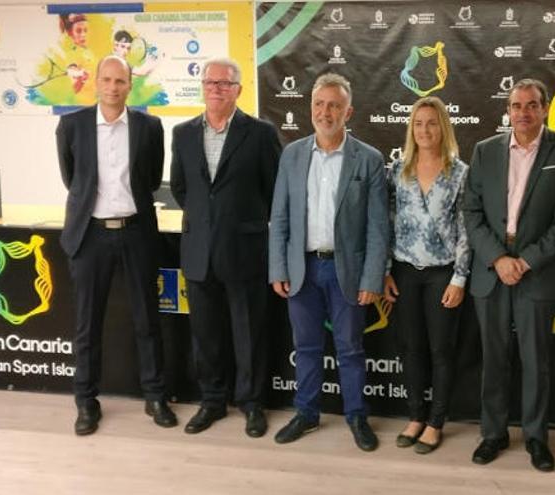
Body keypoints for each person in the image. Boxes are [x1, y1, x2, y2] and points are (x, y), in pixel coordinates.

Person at [463, 78, 555, 471]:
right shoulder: (485, 152)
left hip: (538, 272)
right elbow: (471, 212)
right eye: (516, 106)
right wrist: (498, 258)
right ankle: (493, 434)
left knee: (536, 361)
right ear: (508, 110)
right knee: (494, 358)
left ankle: (536, 438)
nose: (523, 113)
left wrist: (526, 260)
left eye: (531, 105)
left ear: (545, 108)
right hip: (492, 271)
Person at [56, 54, 175, 436]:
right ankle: (86, 402)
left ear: (130, 85)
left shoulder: (149, 126)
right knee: (87, 324)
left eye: (120, 81)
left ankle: (155, 397)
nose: (113, 87)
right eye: (106, 80)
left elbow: (152, 179)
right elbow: (72, 177)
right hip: (90, 235)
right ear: (96, 82)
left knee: (147, 320)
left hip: (136, 231)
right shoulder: (72, 125)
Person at [269, 73, 388, 452]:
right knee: (305, 347)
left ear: (348, 111)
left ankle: (356, 415)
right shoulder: (292, 154)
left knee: (350, 348)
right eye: (319, 104)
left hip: (347, 271)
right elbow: (281, 217)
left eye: (334, 105)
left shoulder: (368, 159)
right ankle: (306, 413)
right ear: (310, 109)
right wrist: (278, 268)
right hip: (302, 268)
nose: (325, 112)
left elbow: (377, 227)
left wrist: (373, 277)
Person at [170, 58, 281, 438]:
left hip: (246, 252)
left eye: (224, 82)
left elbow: (274, 191)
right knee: (206, 335)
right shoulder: (183, 134)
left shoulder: (261, 134)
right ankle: (212, 401)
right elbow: (182, 189)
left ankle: (252, 404)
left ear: (238, 89)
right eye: (210, 82)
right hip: (199, 252)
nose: (216, 88)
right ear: (202, 88)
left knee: (249, 334)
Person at [383, 96, 470, 454]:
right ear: (411, 129)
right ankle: (416, 416)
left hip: (442, 274)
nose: (424, 130)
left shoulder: (460, 172)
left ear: (443, 127)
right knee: (410, 349)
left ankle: (436, 422)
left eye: (431, 123)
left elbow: (466, 230)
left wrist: (459, 278)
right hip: (404, 273)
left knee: (441, 351)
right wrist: (386, 271)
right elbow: (387, 225)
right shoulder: (397, 171)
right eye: (418, 124)